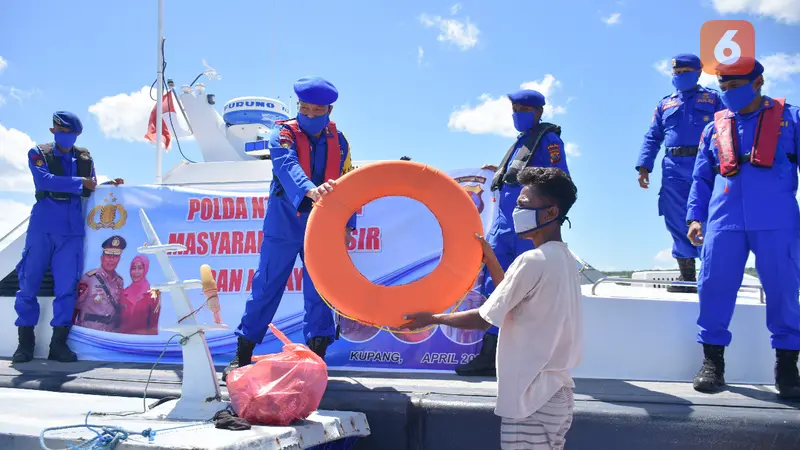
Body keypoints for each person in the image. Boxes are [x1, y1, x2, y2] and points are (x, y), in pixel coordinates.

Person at [404, 166, 582, 450]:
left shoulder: (533, 261)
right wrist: (491, 260)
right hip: (556, 394)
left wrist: (432, 318)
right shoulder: (565, 260)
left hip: (531, 398)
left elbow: (484, 319)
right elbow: (511, 301)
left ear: (550, 213)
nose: (516, 212)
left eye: (524, 205)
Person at [223, 76, 357, 381]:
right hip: (284, 223)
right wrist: (310, 190)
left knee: (320, 292)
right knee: (266, 286)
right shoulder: (281, 134)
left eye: (316, 111)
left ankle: (317, 361)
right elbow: (286, 165)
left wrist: (349, 224)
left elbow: (350, 181)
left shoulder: (342, 141)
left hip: (323, 226)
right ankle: (242, 356)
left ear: (329, 111)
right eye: (304, 109)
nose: (308, 115)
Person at [686, 57, 800, 399]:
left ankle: (787, 367)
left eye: (735, 86)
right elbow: (701, 178)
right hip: (724, 221)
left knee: (783, 290)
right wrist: (695, 217)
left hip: (777, 219)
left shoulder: (792, 119)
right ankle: (712, 364)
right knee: (714, 288)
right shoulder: (713, 127)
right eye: (723, 87)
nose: (728, 93)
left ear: (759, 81)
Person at [456, 89, 570, 377]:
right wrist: (501, 170)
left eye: (523, 109)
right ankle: (490, 354)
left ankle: (520, 355)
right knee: (495, 288)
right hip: (504, 227)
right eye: (514, 108)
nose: (517, 114)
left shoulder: (549, 140)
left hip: (525, 227)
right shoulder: (522, 143)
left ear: (538, 112)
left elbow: (558, 180)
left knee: (523, 290)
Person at [12, 111, 123, 364]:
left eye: (70, 134)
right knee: (28, 285)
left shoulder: (85, 157)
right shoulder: (38, 153)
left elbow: (91, 186)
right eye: (62, 133)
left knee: (67, 290)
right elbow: (45, 181)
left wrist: (108, 185)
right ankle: (25, 345)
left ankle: (58, 345)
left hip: (72, 232)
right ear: (53, 132)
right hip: (42, 227)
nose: (66, 138)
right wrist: (80, 183)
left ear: (78, 134)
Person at [636, 54, 725, 293]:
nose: (680, 76)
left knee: (706, 217)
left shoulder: (714, 98)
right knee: (676, 219)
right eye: (676, 72)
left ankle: (710, 274)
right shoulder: (665, 104)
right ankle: (687, 278)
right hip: (673, 168)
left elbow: (727, 130)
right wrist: (644, 166)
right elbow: (653, 136)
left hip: (705, 165)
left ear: (698, 72)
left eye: (685, 71)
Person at [73, 236, 127, 333]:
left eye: (115, 256)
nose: (111, 260)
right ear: (102, 258)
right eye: (108, 255)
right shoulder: (88, 279)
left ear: (119, 259)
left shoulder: (120, 282)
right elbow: (75, 308)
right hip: (88, 333)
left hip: (110, 335)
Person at [119, 255, 161, 335]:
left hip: (142, 342)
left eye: (140, 268)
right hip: (122, 342)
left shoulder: (154, 294)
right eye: (133, 268)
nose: (136, 272)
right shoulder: (123, 293)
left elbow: (153, 327)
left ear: (146, 269)